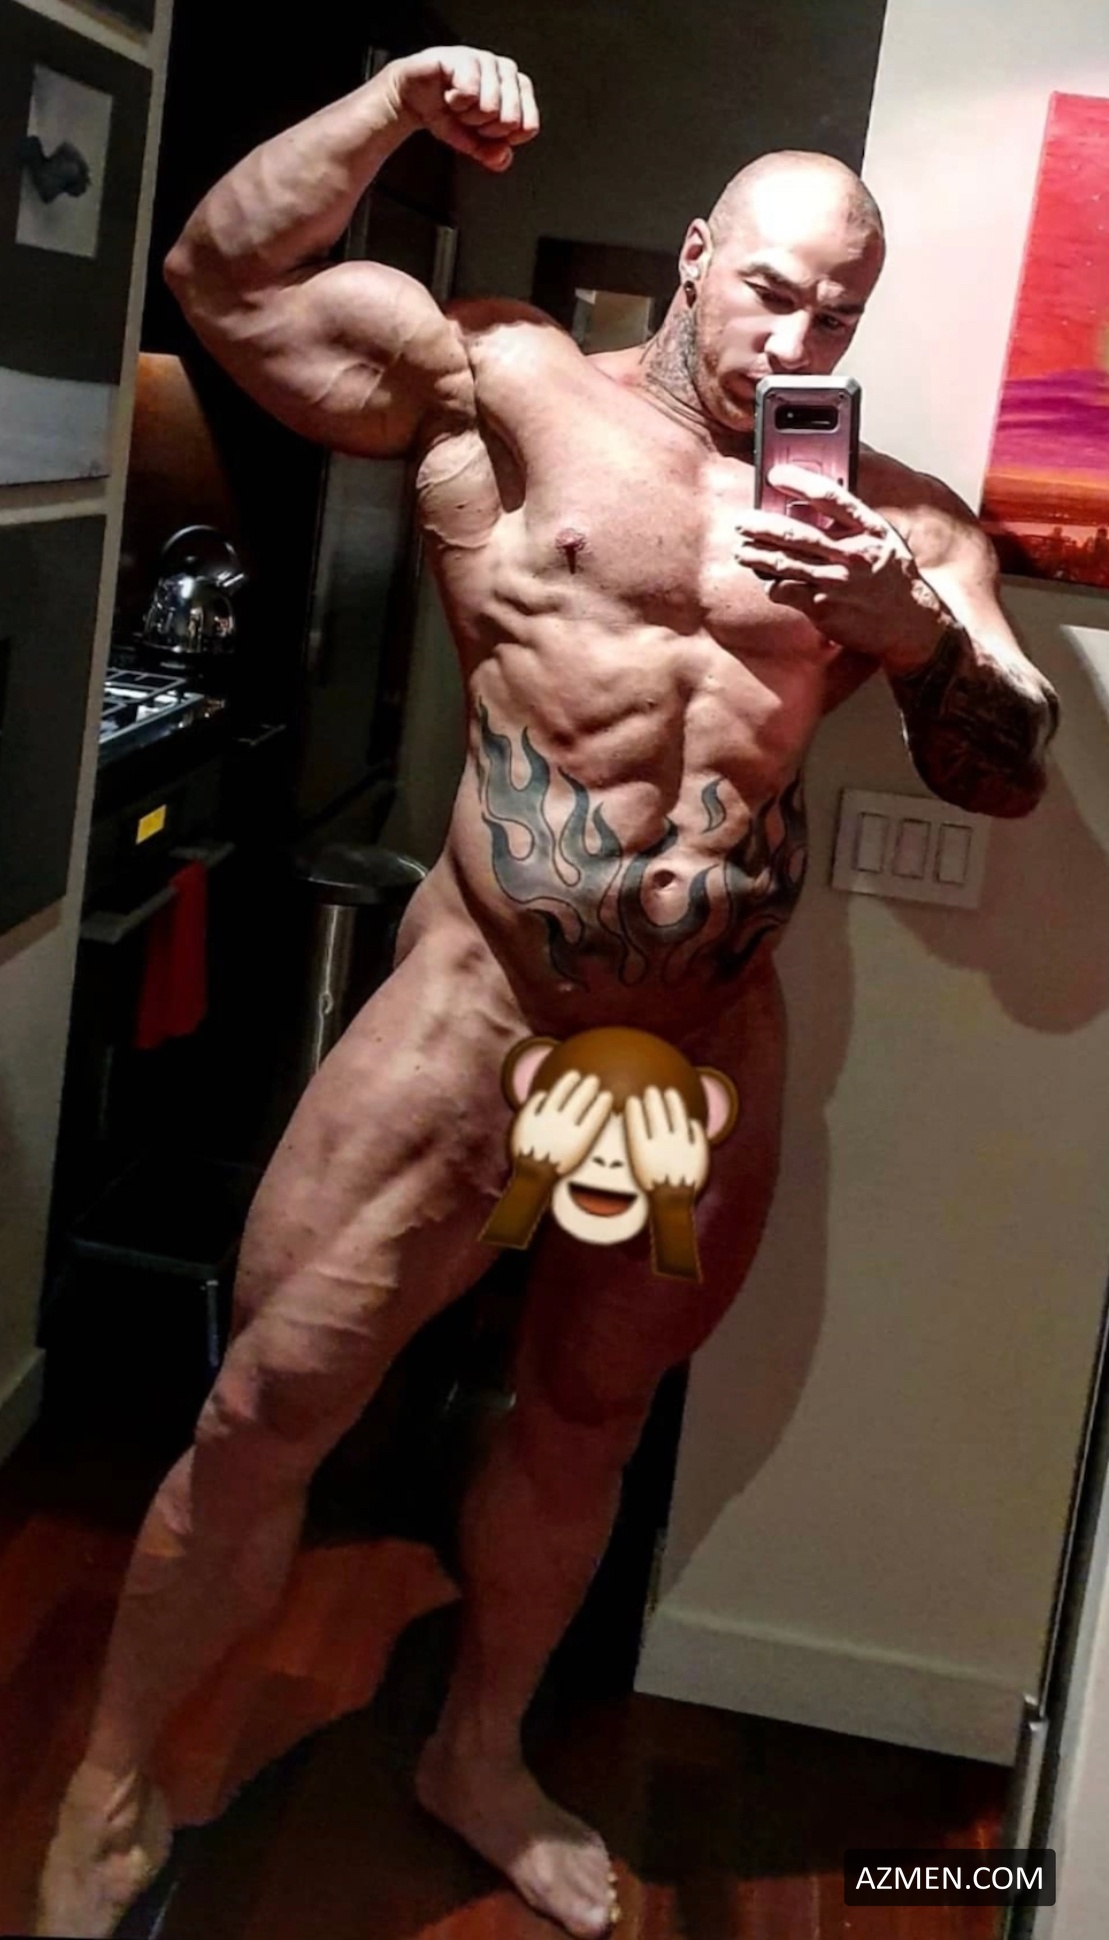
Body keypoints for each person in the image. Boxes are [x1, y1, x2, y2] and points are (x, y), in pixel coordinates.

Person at [38, 43, 1059, 1940]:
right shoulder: (501, 387)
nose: (797, 337)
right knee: (267, 1408)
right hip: (472, 1023)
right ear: (695, 258)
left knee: (584, 1420)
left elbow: (1005, 761)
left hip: (701, 1057)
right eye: (770, 289)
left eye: (840, 312)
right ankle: (107, 1774)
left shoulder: (897, 525)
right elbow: (223, 284)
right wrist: (391, 105)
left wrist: (907, 635)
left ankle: (477, 1751)